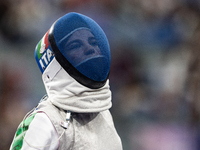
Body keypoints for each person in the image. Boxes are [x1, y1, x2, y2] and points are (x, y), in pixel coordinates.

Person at [10, 12, 123, 150]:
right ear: (56, 63)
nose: (90, 48)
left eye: (94, 42)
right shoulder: (45, 121)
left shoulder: (104, 114)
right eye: (76, 45)